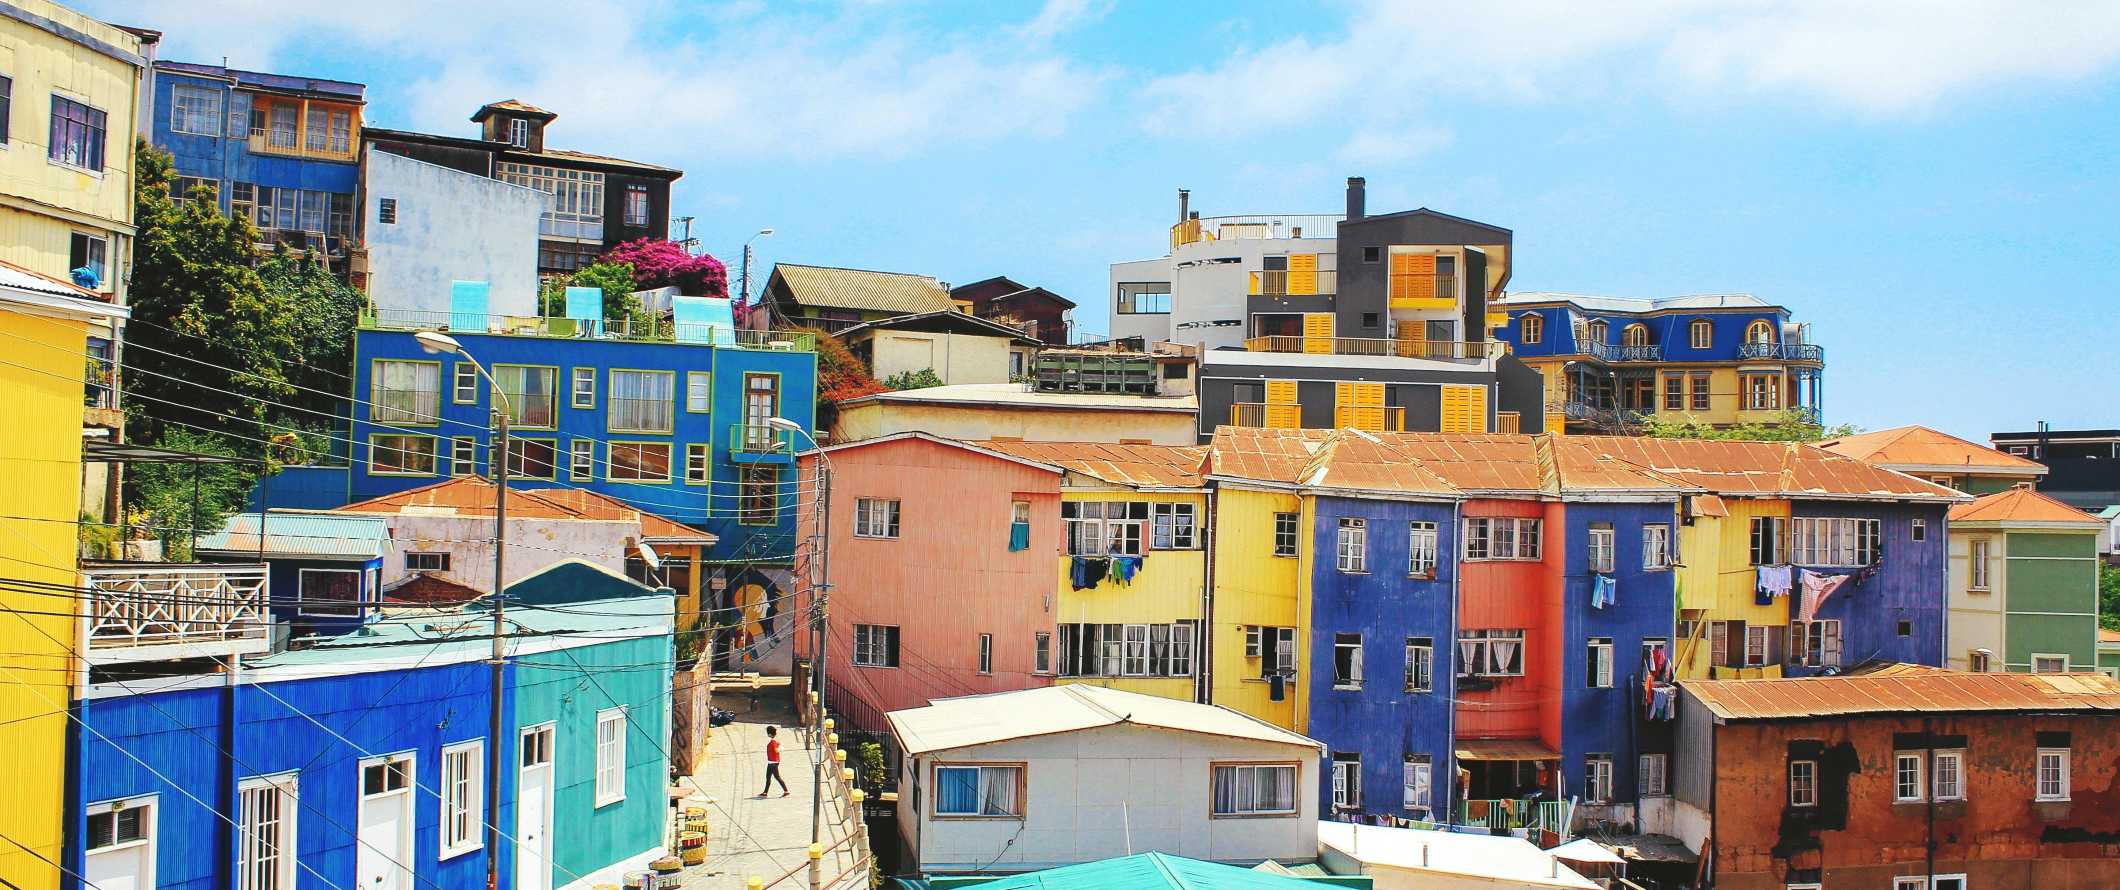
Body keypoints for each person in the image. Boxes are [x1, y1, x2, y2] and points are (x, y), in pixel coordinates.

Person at [758, 725, 790, 797]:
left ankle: (786, 791)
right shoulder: (775, 740)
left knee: (777, 777)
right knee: (768, 776)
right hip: (772, 762)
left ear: (769, 734)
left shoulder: (773, 742)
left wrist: (779, 749)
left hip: (773, 762)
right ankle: (765, 792)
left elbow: (776, 750)